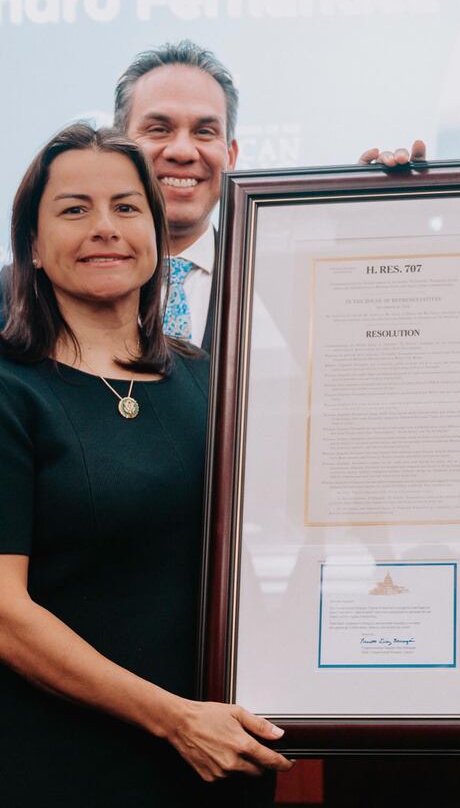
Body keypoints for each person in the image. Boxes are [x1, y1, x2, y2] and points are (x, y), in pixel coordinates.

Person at [0, 123, 293, 807]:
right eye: (74, 209)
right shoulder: (11, 391)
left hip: (221, 758)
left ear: (157, 236)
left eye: (127, 208)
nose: (105, 227)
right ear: (35, 248)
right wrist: (175, 719)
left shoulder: (211, 380)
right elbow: (5, 613)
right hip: (68, 766)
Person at [112, 39, 425, 350]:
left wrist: (373, 239)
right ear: (117, 148)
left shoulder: (290, 284)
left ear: (231, 157)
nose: (182, 151)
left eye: (204, 132)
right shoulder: (71, 279)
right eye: (158, 129)